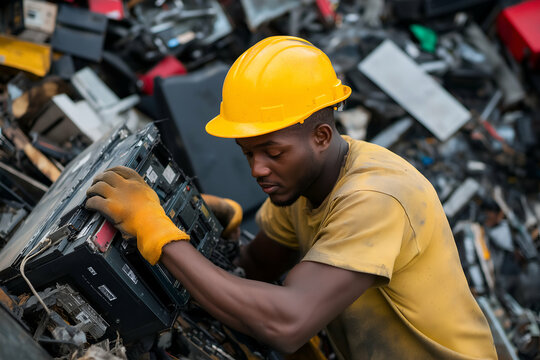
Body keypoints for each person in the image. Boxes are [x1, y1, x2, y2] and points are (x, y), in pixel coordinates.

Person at [86, 36, 497, 359]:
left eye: (273, 152)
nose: (257, 169)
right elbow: (257, 271)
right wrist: (219, 240)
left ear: (321, 136)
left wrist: (156, 231)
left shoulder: (377, 198)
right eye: (248, 153)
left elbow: (288, 323)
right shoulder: (302, 187)